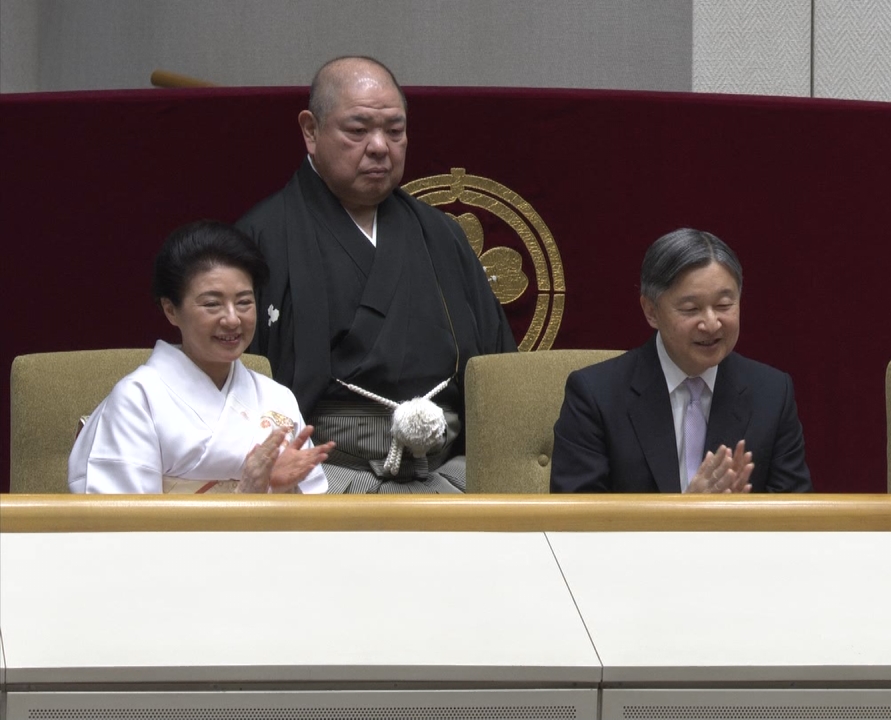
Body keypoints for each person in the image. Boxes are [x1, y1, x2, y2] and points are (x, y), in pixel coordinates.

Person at [237, 56, 515, 494]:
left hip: (448, 474)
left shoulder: (441, 234)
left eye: (395, 130)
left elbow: (497, 368)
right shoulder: (263, 238)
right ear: (311, 130)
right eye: (358, 129)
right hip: (326, 478)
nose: (380, 146)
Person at [69, 221, 333, 494]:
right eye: (212, 304)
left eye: (244, 302)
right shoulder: (138, 400)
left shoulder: (277, 398)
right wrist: (249, 493)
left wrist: (282, 490)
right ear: (171, 310)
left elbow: (312, 511)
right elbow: (124, 515)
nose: (232, 319)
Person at [551, 228, 812, 493]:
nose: (711, 323)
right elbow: (577, 514)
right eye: (691, 309)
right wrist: (685, 511)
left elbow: (796, 511)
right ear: (651, 311)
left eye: (724, 305)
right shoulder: (596, 395)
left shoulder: (772, 393)